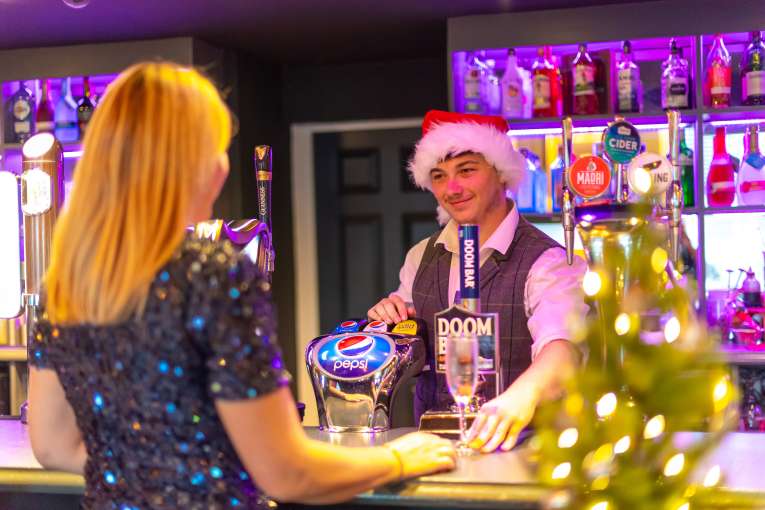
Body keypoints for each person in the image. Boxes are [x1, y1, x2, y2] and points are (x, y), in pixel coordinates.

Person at [27, 63, 455, 509]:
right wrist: (398, 459)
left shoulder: (67, 283)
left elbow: (53, 447)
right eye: (215, 145)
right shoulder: (210, 274)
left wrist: (156, 466)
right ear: (193, 163)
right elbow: (286, 472)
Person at [368, 110, 589, 454]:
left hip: (525, 452)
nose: (451, 189)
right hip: (433, 455)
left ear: (501, 173)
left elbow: (562, 347)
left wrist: (521, 396)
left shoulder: (548, 260)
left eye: (467, 171)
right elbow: (405, 341)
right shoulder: (421, 256)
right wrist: (388, 321)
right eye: (439, 176)